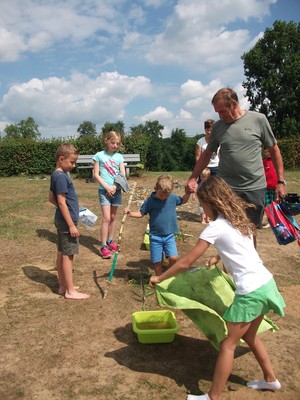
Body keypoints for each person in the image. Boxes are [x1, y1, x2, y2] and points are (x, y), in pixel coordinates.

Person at [150, 176, 285, 400]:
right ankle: (271, 380)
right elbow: (241, 248)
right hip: (266, 284)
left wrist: (160, 278)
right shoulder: (239, 219)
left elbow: (185, 263)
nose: (201, 208)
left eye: (201, 204)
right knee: (250, 337)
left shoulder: (215, 227)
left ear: (211, 202)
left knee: (228, 345)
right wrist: (217, 256)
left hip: (250, 292)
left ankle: (213, 396)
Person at [187, 88, 286, 241]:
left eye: (222, 111)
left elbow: (274, 150)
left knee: (249, 234)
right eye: (217, 112)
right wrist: (193, 177)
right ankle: (228, 265)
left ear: (233, 104)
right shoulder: (219, 127)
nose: (219, 116)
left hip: (254, 188)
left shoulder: (258, 120)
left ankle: (248, 264)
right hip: (227, 188)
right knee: (227, 234)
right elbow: (206, 155)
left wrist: (280, 181)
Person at [123, 175, 190, 276]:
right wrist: (130, 213)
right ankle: (159, 279)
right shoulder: (150, 201)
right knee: (157, 262)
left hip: (169, 235)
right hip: (155, 237)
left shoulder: (172, 198)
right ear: (155, 189)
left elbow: (183, 200)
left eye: (166, 196)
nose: (163, 198)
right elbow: (141, 213)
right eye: (161, 195)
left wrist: (188, 193)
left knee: (173, 258)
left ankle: (168, 273)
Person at [49, 144, 90, 300]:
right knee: (68, 254)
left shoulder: (57, 174)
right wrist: (71, 224)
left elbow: (51, 198)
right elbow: (60, 202)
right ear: (61, 159)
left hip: (62, 220)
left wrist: (71, 208)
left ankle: (63, 286)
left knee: (61, 252)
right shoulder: (60, 176)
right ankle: (70, 291)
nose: (73, 165)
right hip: (67, 223)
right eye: (72, 162)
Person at [93, 130, 126, 259]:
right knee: (106, 218)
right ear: (106, 141)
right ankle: (103, 246)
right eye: (113, 143)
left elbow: (122, 174)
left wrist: (115, 187)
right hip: (104, 191)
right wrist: (107, 187)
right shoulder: (99, 156)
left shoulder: (119, 157)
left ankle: (110, 240)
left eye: (117, 143)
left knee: (112, 217)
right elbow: (96, 174)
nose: (115, 146)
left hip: (116, 191)